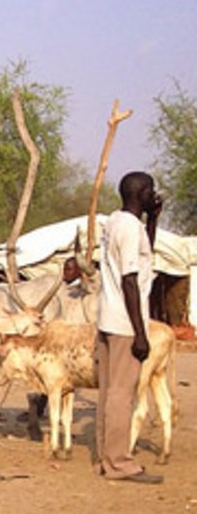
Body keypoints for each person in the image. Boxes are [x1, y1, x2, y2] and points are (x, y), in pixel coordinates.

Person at [94, 171, 162, 483]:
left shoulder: (115, 223)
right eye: (151, 191)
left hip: (108, 319)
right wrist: (140, 332)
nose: (154, 195)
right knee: (122, 395)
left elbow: (140, 260)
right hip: (125, 324)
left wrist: (153, 221)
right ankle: (120, 463)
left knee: (109, 393)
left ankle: (105, 459)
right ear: (142, 192)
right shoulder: (129, 229)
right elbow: (130, 280)